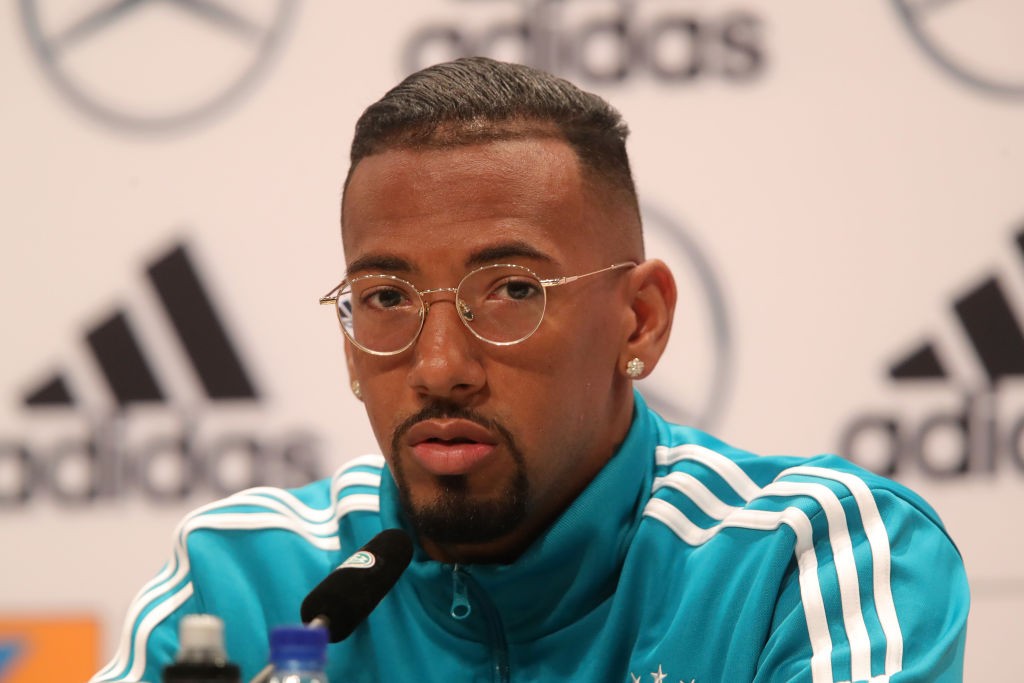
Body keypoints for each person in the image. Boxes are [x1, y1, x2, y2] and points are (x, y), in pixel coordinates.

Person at [92, 57, 969, 683]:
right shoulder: (247, 576)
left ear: (642, 318)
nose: (439, 367)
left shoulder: (807, 558)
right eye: (388, 296)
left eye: (511, 289)